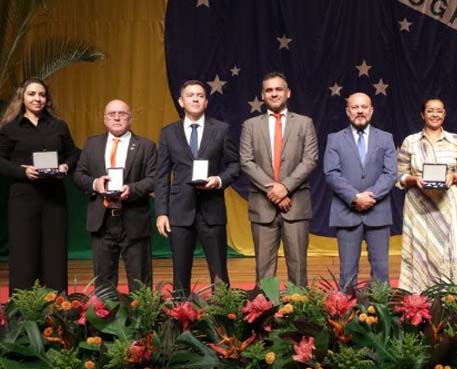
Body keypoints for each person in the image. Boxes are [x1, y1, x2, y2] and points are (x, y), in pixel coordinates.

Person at [154, 80, 240, 297]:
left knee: (219, 272)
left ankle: (224, 318)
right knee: (180, 273)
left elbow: (235, 165)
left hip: (212, 209)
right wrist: (162, 212)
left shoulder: (221, 130)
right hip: (180, 211)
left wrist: (219, 180)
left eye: (200, 95)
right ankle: (179, 319)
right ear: (181, 101)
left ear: (206, 101)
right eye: (190, 95)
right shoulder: (168, 133)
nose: (195, 98)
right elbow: (161, 175)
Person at [0, 77, 78, 293]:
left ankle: (57, 311)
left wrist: (65, 167)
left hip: (54, 199)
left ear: (47, 99)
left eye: (42, 95)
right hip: (23, 199)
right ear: (22, 98)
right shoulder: (10, 128)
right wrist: (22, 171)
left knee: (54, 254)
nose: (37, 98)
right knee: (24, 254)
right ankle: (23, 312)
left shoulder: (58, 125)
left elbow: (73, 154)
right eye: (32, 94)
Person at [239, 72, 318, 287]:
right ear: (263, 95)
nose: (274, 93)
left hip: (296, 206)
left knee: (298, 269)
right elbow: (246, 161)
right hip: (263, 208)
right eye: (269, 90)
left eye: (278, 89)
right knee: (264, 272)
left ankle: (298, 316)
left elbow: (310, 160)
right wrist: (274, 191)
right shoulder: (250, 125)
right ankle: (265, 314)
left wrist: (285, 187)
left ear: (288, 93)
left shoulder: (304, 123)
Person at [73, 99, 158, 292]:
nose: (117, 118)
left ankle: (141, 321)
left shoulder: (146, 146)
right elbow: (79, 176)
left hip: (134, 220)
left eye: (122, 114)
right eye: (112, 114)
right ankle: (105, 320)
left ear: (130, 118)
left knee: (140, 284)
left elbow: (154, 179)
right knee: (103, 284)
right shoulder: (92, 144)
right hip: (101, 221)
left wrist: (132, 189)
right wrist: (95, 183)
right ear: (105, 119)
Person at [323, 92, 397, 293]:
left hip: (378, 213)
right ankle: (346, 319)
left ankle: (383, 318)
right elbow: (331, 173)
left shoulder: (386, 138)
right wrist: (355, 198)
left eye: (364, 107)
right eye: (355, 107)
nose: (360, 111)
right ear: (348, 112)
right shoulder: (335, 139)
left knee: (381, 272)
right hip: (347, 213)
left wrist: (369, 197)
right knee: (347, 273)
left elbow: (391, 173)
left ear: (371, 111)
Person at [396, 98, 457, 292]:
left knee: (452, 251)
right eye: (430, 111)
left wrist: (455, 176)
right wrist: (413, 180)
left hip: (449, 205)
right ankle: (419, 301)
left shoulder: (456, 140)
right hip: (419, 207)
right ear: (423, 114)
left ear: (444, 114)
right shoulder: (410, 141)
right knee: (420, 252)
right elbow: (399, 175)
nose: (435, 115)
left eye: (439, 111)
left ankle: (453, 297)